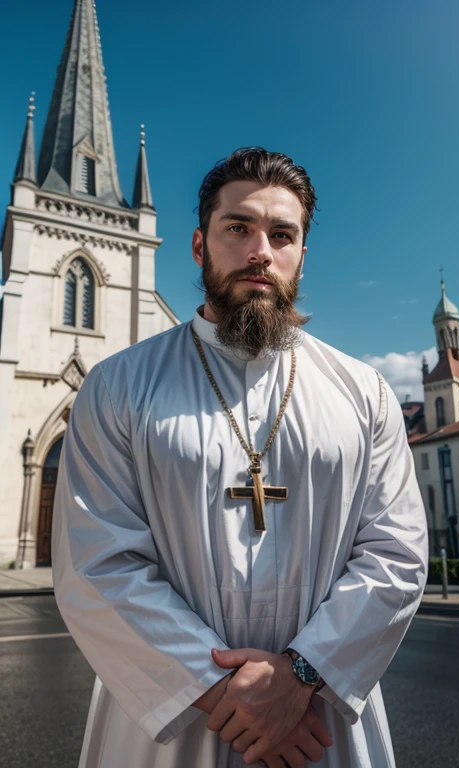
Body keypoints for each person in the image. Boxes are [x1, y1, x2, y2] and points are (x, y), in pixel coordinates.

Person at [52, 147, 428, 768]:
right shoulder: (118, 386)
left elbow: (398, 553)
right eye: (239, 228)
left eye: (283, 234)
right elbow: (96, 563)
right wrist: (232, 693)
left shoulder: (366, 393)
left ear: (302, 254)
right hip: (171, 725)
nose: (261, 251)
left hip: (319, 718)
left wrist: (301, 674)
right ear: (199, 246)